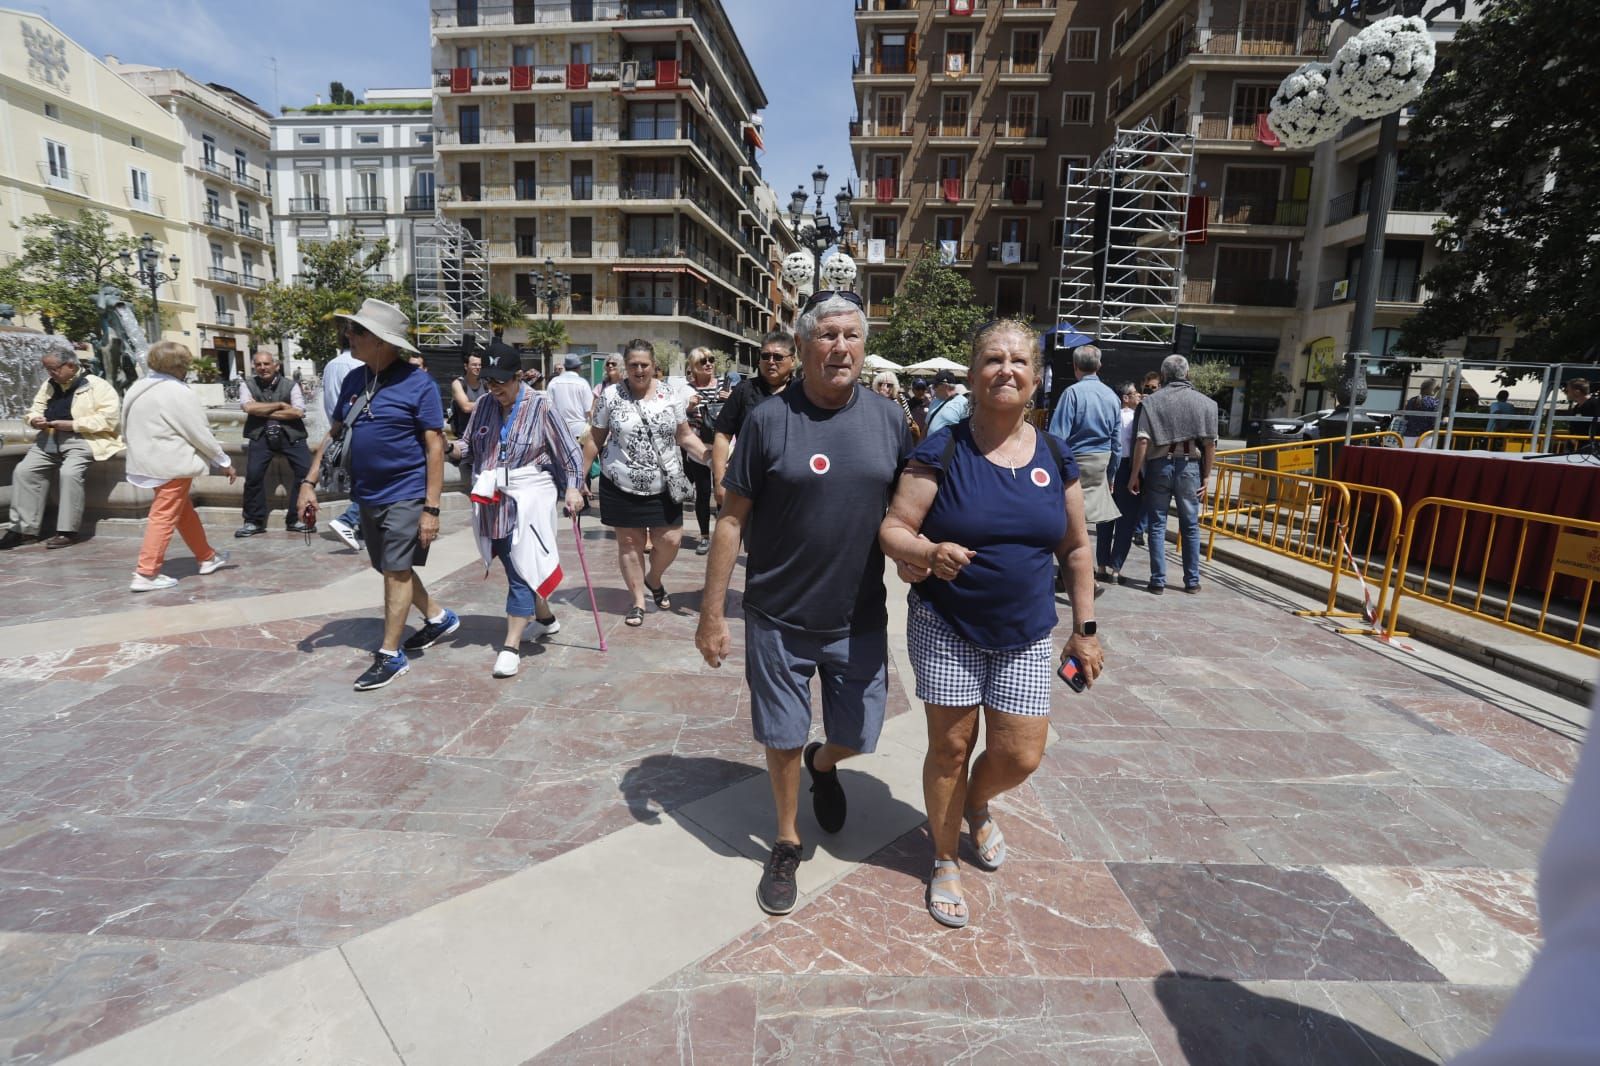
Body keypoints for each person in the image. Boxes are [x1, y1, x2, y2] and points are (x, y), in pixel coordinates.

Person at [880, 319, 1104, 928]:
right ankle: (945, 855)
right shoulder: (942, 448)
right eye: (992, 360)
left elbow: (1078, 548)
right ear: (974, 374)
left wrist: (1084, 628)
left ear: (1036, 378)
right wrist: (926, 555)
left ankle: (979, 803)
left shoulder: (1055, 455)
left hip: (1027, 631)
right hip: (947, 625)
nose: (1006, 370)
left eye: (1019, 362)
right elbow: (893, 529)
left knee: (1021, 755)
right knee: (951, 746)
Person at [695, 290, 913, 917]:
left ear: (863, 347)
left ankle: (827, 763)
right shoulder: (767, 420)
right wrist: (713, 614)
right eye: (827, 335)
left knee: (859, 733)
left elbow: (909, 510)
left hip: (859, 614)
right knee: (782, 735)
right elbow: (731, 522)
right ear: (802, 347)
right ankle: (787, 839)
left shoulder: (890, 420)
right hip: (777, 615)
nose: (840, 347)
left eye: (851, 335)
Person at [297, 298, 455, 692]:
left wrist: (431, 508)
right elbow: (334, 432)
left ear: (382, 342)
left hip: (406, 491)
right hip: (366, 492)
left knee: (397, 569)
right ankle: (438, 617)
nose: (349, 336)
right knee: (387, 566)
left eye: (358, 332)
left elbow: (435, 446)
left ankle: (390, 654)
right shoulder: (354, 379)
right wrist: (308, 482)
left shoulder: (418, 384)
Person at [453, 342, 586, 678]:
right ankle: (546, 620)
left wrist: (573, 488)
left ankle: (511, 645)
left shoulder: (541, 406)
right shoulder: (483, 405)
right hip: (493, 499)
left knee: (518, 567)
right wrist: (447, 446)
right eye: (488, 381)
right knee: (517, 565)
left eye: (500, 381)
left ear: (517, 377)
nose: (494, 388)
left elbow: (570, 454)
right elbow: (469, 445)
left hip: (530, 497)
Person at [584, 339, 708, 627]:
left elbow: (685, 436)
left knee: (671, 540)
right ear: (625, 367)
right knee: (629, 543)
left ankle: (654, 578)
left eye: (644, 365)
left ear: (654, 366)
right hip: (619, 481)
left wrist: (707, 454)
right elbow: (595, 438)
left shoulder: (669, 395)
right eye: (633, 365)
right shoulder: (611, 395)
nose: (639, 370)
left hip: (664, 483)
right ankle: (638, 600)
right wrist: (580, 477)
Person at [121, 340, 236, 591]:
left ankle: (207, 557)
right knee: (163, 516)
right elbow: (199, 432)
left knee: (182, 511)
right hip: (171, 462)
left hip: (147, 461)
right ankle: (146, 573)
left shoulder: (137, 386)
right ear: (180, 365)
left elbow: (124, 424)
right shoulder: (177, 391)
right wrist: (223, 460)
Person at [3, 346, 124, 550]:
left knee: (69, 473)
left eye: (53, 369)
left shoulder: (98, 385)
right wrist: (34, 420)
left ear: (70, 365)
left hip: (83, 438)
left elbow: (109, 419)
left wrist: (73, 425)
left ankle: (67, 531)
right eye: (48, 370)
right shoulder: (49, 384)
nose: (50, 373)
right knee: (24, 471)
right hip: (49, 438)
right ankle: (24, 530)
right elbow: (34, 409)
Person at [1128, 354, 1219, 595]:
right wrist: (1207, 476)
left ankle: (1157, 580)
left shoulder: (1151, 402)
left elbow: (1142, 441)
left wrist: (1135, 473)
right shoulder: (1206, 404)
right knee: (1190, 525)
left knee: (1157, 524)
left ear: (1164, 375)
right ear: (1187, 374)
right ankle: (1192, 580)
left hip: (1159, 466)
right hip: (1190, 467)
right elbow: (1210, 445)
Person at [1047, 344, 1122, 578]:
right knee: (1081, 524)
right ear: (1099, 366)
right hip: (1101, 461)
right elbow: (1117, 442)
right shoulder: (1112, 396)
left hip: (1074, 461)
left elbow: (1058, 436)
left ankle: (1081, 575)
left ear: (1075, 365)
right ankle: (1071, 574)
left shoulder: (1072, 394)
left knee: (1069, 521)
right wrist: (1111, 474)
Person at [711, 328, 796, 509]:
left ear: (793, 361)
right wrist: (719, 481)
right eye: (766, 356)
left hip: (791, 487)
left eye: (778, 357)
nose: (771, 362)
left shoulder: (803, 393)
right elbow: (722, 435)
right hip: (746, 482)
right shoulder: (744, 390)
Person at [234, 350, 313, 538]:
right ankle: (254, 521)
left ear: (276, 366)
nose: (263, 368)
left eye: (267, 364)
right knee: (253, 475)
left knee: (305, 472)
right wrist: (280, 405)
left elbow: (298, 413)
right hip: (260, 435)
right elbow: (248, 407)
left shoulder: (291, 385)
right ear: (254, 366)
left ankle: (296, 518)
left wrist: (260, 411)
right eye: (259, 364)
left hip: (292, 434)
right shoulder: (248, 384)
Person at [681, 346, 729, 555]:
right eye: (703, 361)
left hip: (722, 447)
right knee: (702, 492)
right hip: (698, 449)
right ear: (693, 367)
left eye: (711, 359)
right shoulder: (686, 390)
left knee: (722, 491)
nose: (709, 364)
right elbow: (678, 419)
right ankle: (704, 536)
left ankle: (722, 535)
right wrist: (688, 407)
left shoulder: (724, 387)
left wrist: (730, 400)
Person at [1098, 382, 1144, 582]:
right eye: (1135, 393)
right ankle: (1116, 568)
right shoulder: (1137, 419)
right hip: (1129, 468)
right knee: (1126, 522)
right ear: (1125, 397)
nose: (1139, 396)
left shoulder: (1110, 416)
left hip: (1108, 466)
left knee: (1105, 520)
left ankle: (1101, 566)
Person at [547, 352, 594, 448]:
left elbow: (548, 408)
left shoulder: (554, 382)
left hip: (559, 431)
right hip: (579, 432)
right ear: (578, 367)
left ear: (565, 366)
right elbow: (589, 410)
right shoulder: (583, 383)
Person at [871, 371, 919, 441]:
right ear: (876, 385)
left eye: (889, 385)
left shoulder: (900, 398)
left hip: (898, 438)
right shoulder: (871, 399)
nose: (884, 388)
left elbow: (909, 419)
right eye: (880, 384)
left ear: (894, 386)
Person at [449, 351, 486, 438]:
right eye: (474, 365)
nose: (478, 367)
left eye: (480, 365)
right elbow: (466, 407)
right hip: (465, 436)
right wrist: (487, 403)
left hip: (483, 435)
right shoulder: (458, 383)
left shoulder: (486, 383)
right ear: (466, 366)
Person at [926, 370, 970, 435]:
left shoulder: (963, 403)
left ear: (945, 386)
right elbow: (926, 426)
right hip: (929, 444)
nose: (933, 388)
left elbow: (967, 431)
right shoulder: (934, 401)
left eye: (935, 385)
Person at [1399, 379, 1441, 447]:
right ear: (1434, 390)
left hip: (1408, 437)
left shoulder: (1411, 400)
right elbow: (1434, 421)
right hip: (1426, 437)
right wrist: (1445, 421)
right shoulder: (1435, 402)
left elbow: (1406, 417)